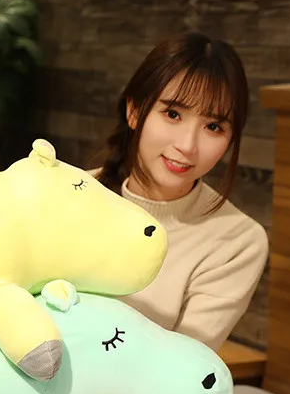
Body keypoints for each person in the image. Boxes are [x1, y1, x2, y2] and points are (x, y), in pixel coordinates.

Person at [90, 32, 269, 351]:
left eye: (213, 127)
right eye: (173, 114)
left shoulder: (238, 241)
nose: (187, 146)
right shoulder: (70, 192)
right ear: (134, 111)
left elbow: (180, 363)